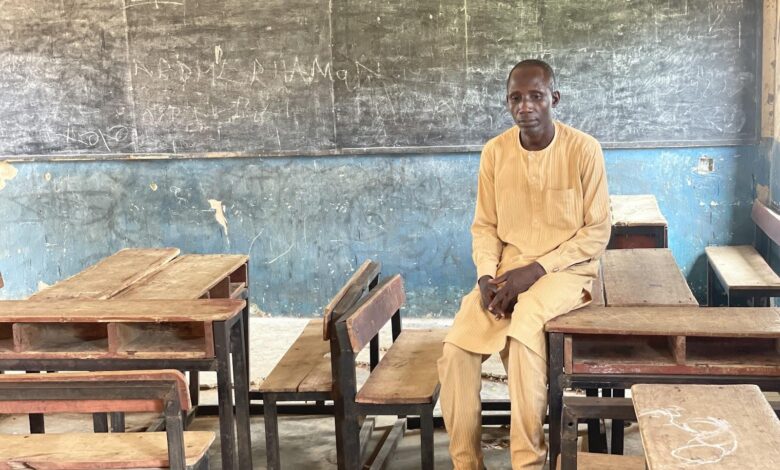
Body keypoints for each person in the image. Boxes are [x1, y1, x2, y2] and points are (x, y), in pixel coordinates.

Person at [437, 59, 611, 469]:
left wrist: (534, 272)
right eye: (516, 98)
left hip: (568, 271)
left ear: (554, 98)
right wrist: (484, 276)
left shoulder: (584, 149)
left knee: (524, 332)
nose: (526, 106)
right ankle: (466, 463)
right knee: (457, 347)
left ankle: (527, 462)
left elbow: (597, 232)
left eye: (535, 97)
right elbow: (485, 227)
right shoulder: (495, 153)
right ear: (507, 102)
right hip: (506, 270)